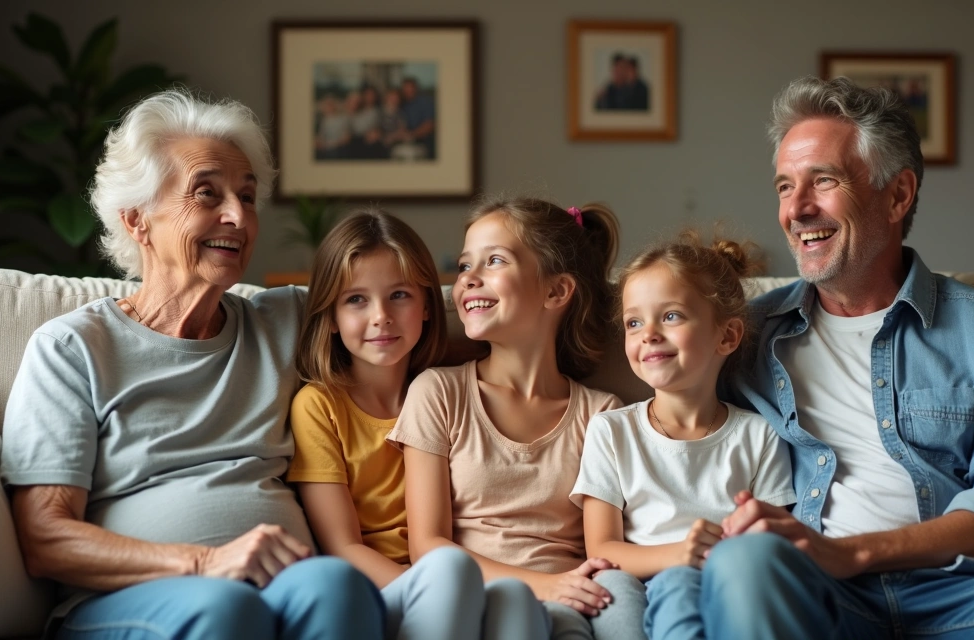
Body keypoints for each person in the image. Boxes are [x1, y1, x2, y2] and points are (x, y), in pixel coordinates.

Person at [672, 76, 974, 638]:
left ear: (898, 195)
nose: (797, 209)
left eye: (823, 181)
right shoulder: (743, 335)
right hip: (818, 599)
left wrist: (855, 553)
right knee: (743, 562)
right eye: (784, 187)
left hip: (961, 596)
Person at [0, 89, 384, 639]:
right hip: (129, 603)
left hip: (280, 585)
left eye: (247, 197)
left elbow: (413, 319)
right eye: (208, 194)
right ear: (137, 221)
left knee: (338, 587)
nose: (238, 216)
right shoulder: (72, 349)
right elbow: (45, 537)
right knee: (227, 609)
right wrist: (204, 562)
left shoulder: (286, 322)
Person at [387, 198, 647, 640]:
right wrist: (545, 585)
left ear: (556, 291)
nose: (468, 278)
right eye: (466, 264)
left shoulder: (601, 414)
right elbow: (427, 546)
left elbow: (603, 546)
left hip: (569, 601)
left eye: (493, 261)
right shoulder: (439, 392)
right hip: (473, 600)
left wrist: (566, 590)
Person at [289, 209, 545, 640]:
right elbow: (343, 547)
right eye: (356, 300)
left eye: (399, 295)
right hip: (383, 592)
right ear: (330, 317)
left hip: (460, 580)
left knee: (516, 597)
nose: (381, 316)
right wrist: (437, 586)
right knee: (448, 567)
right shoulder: (319, 406)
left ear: (428, 305)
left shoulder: (448, 390)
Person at [571, 231, 797, 640]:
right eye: (634, 322)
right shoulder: (611, 430)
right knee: (641, 587)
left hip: (721, 584)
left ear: (726, 336)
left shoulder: (759, 435)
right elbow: (602, 550)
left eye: (671, 316)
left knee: (694, 589)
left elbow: (770, 544)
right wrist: (680, 555)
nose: (649, 334)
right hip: (638, 583)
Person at [399, 77, 436, 159]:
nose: (408, 90)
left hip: (424, 142)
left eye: (410, 87)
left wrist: (412, 135)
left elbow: (429, 125)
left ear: (415, 88)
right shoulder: (402, 103)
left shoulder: (425, 101)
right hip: (405, 141)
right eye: (405, 88)